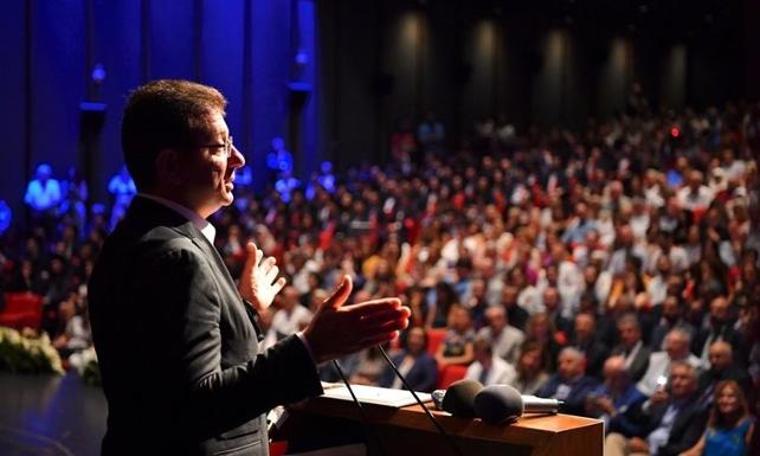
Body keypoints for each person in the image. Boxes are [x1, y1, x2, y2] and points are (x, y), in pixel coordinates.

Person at [88, 80, 410, 455]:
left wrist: (246, 309)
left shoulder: (134, 238)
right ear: (171, 165)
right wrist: (310, 347)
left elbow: (167, 377)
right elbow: (196, 404)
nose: (238, 158)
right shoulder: (176, 256)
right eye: (221, 146)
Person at [605, 362, 707, 456]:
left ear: (694, 384)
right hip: (642, 444)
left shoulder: (697, 411)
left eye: (683, 378)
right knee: (613, 438)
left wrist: (652, 449)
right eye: (674, 377)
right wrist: (649, 404)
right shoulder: (663, 403)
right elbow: (632, 420)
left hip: (661, 453)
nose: (677, 382)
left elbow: (685, 446)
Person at [682, 380, 755, 456]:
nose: (724, 400)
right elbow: (698, 450)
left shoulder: (749, 425)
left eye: (730, 396)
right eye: (721, 396)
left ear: (739, 400)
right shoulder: (713, 423)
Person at [535, 347, 598, 417]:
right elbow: (542, 396)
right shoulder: (555, 379)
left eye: (569, 362)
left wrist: (553, 402)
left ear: (582, 364)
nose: (562, 366)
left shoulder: (589, 383)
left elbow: (576, 405)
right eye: (560, 363)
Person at [379, 327, 438, 392]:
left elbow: (428, 383)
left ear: (424, 341)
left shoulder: (428, 361)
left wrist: (410, 395)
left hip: (409, 398)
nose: (414, 341)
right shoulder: (398, 356)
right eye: (412, 337)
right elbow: (385, 376)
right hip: (388, 393)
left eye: (419, 338)